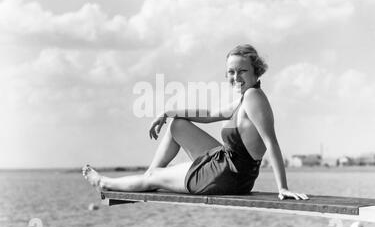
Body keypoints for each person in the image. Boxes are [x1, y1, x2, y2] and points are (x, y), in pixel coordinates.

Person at [83, 44, 308, 200]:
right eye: (231, 72)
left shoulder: (253, 98)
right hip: (226, 163)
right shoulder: (245, 98)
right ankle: (149, 177)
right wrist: (168, 112)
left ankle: (106, 183)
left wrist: (283, 187)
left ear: (256, 72)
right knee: (177, 124)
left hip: (229, 176)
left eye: (242, 71)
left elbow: (272, 143)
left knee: (153, 177)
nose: (235, 77)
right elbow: (210, 113)